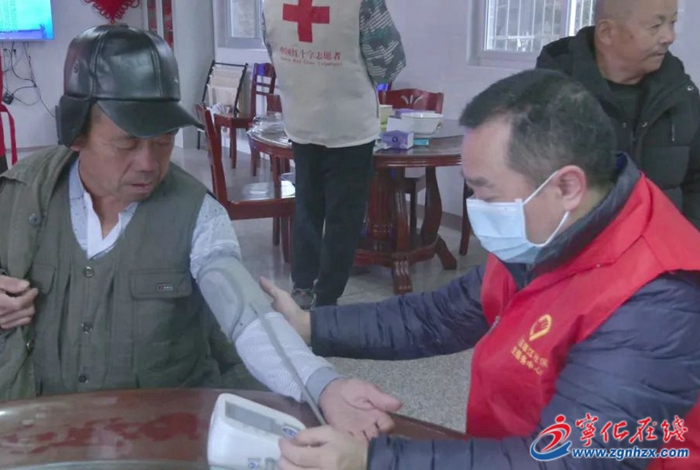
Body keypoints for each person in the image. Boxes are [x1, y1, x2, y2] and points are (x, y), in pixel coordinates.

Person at [260, 69, 700, 469]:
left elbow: (569, 461)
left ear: (567, 186)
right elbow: (437, 316)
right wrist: (310, 325)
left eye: (488, 195)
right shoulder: (549, 234)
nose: (477, 209)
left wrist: (373, 461)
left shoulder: (657, 301)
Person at [0, 25, 402, 439]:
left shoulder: (196, 212)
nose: (148, 163)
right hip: (38, 430)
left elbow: (247, 316)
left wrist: (324, 386)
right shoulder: (18, 195)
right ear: (76, 133)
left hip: (161, 433)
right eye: (127, 144)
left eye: (163, 142)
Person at [261, 0, 407, 309]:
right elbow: (388, 63)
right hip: (348, 126)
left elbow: (273, 50)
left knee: (307, 206)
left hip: (301, 120)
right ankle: (326, 300)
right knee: (344, 217)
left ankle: (302, 288)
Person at [536, 0, 700, 230]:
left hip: (666, 247)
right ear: (607, 32)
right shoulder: (548, 97)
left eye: (672, 23)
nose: (669, 37)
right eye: (655, 26)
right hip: (581, 249)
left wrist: (688, 239)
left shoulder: (681, 94)